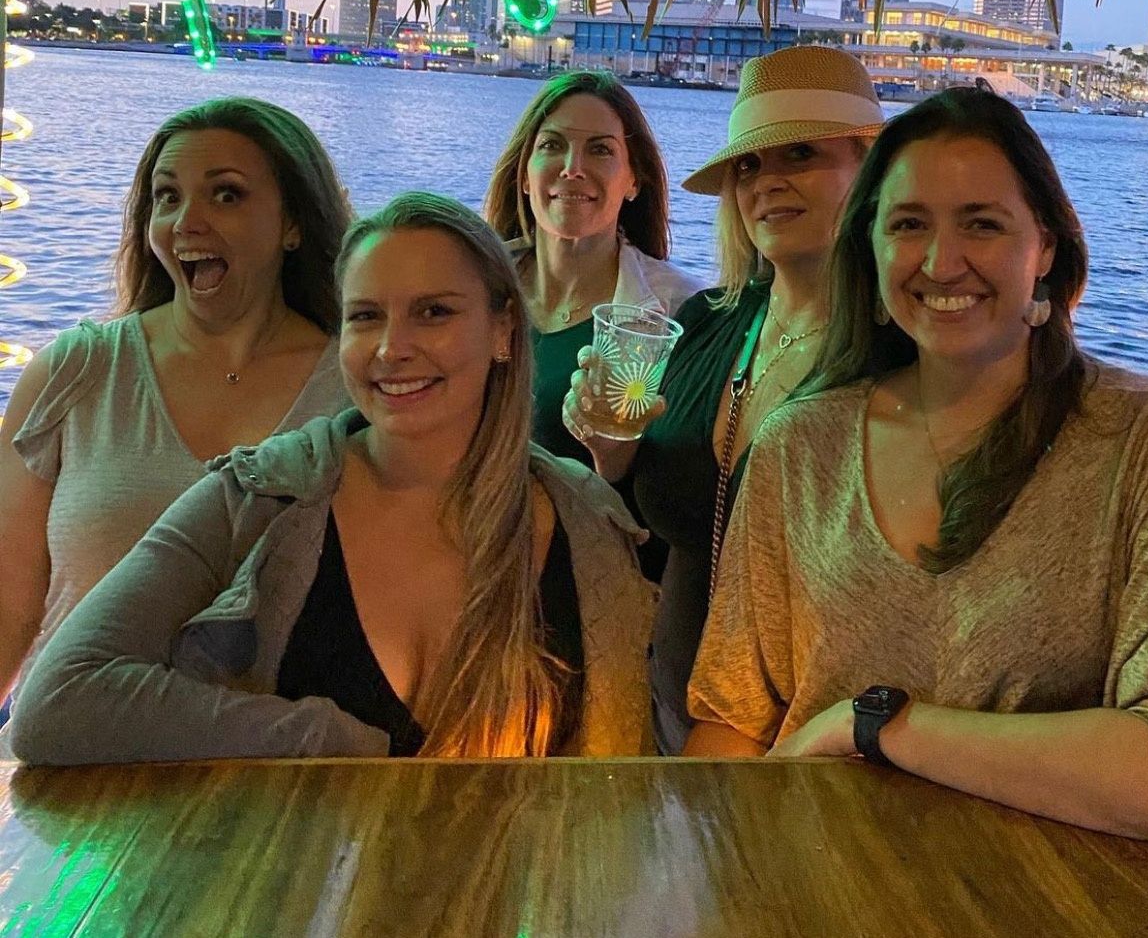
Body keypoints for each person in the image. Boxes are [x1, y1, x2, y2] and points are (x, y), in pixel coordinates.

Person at [685, 88, 1148, 853]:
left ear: (1045, 247)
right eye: (909, 224)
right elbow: (730, 722)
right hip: (819, 885)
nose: (940, 261)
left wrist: (880, 723)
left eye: (981, 224)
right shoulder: (801, 446)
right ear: (874, 250)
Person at [10, 193, 655, 764]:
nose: (390, 348)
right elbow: (56, 702)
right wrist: (325, 741)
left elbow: (620, 778)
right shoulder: (259, 497)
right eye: (366, 316)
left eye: (433, 312)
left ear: (504, 332)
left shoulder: (585, 522)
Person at [563, 45, 883, 751]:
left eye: (799, 154)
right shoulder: (709, 323)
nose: (766, 182)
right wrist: (613, 454)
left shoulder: (898, 350)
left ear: (873, 172)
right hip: (669, 714)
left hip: (822, 740)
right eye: (749, 165)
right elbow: (662, 511)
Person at [0, 97, 351, 706]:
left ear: (293, 224)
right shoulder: (76, 372)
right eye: (168, 197)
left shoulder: (353, 391)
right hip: (72, 770)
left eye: (226, 195)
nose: (186, 222)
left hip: (270, 776)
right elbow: (9, 606)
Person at [484, 71, 699, 465]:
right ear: (525, 176)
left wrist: (614, 456)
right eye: (552, 145)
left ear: (634, 180)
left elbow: (674, 492)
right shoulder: (472, 284)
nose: (572, 167)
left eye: (600, 150)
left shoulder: (684, 310)